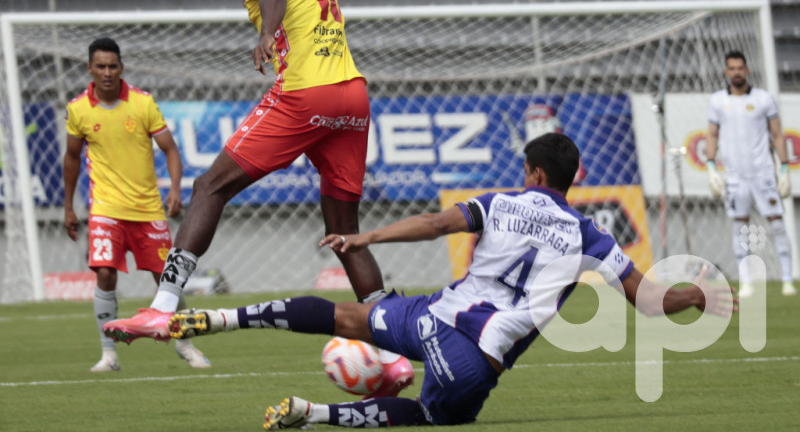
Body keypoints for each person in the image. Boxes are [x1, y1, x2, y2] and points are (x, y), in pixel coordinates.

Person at [168, 133, 734, 428]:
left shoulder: (501, 202)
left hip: (432, 315)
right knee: (435, 415)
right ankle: (314, 415)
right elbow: (652, 302)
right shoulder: (593, 237)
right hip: (472, 359)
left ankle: (220, 317)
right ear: (568, 179)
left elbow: (438, 224)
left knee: (347, 316)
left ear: (534, 174)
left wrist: (366, 238)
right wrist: (703, 293)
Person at [102, 0, 414, 396]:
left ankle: (161, 309)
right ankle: (399, 344)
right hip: (352, 96)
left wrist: (270, 32)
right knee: (344, 232)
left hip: (305, 93)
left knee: (210, 187)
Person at [63, 38, 211, 372]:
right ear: (90, 69)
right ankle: (109, 355)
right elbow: (71, 158)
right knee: (104, 274)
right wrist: (69, 207)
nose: (107, 72)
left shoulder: (143, 103)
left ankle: (185, 345)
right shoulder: (78, 109)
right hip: (105, 209)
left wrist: (174, 189)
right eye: (100, 66)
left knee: (167, 278)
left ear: (121, 68)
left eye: (112, 66)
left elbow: (171, 149)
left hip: (147, 210)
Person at [706, 51, 796, 297]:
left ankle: (788, 278)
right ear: (726, 72)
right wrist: (711, 166)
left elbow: (777, 135)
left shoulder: (763, 99)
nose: (736, 72)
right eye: (731, 68)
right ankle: (746, 281)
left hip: (763, 172)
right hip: (735, 176)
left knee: (777, 224)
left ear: (747, 70)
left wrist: (784, 168)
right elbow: (712, 135)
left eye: (740, 68)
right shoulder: (717, 101)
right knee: (739, 228)